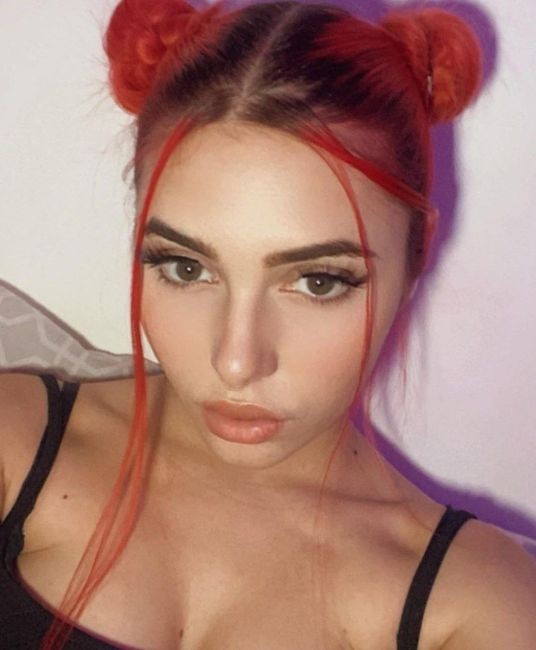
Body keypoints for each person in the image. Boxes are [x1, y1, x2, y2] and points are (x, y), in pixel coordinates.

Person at [0, 0, 535, 648]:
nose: (236, 360)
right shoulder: (13, 441)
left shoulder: (481, 603)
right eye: (186, 268)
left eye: (317, 282)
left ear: (416, 253)